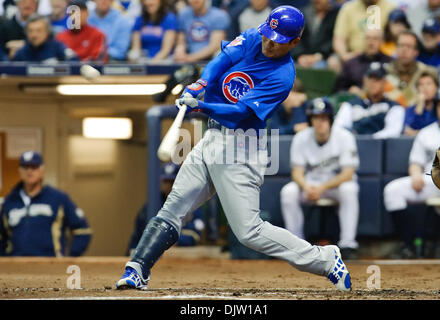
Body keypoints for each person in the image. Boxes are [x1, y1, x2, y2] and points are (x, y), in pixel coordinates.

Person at [115, 6, 352, 292]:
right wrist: (201, 83)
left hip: (242, 147)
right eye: (268, 34)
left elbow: (239, 112)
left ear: (294, 42)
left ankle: (326, 260)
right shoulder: (255, 36)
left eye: (277, 39)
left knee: (249, 231)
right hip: (213, 137)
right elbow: (222, 59)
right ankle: (137, 268)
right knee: (174, 206)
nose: (269, 42)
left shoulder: (283, 76)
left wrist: (200, 106)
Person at [280, 98, 360, 260]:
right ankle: (297, 245)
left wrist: (322, 188)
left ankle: (347, 244)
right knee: (288, 192)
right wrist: (306, 186)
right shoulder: (301, 137)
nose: (320, 122)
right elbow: (297, 172)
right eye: (316, 118)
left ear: (330, 119)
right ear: (311, 120)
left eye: (323, 118)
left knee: (349, 189)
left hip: (335, 184)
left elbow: (348, 173)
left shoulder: (344, 136)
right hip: (311, 183)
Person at [384, 87, 440, 259]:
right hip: (431, 181)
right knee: (392, 190)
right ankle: (408, 244)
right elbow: (415, 162)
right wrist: (415, 175)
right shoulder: (427, 132)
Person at [0, 151, 92, 257]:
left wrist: (69, 258)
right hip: (17, 264)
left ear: (42, 171)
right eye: (25, 167)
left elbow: (83, 231)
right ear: (20, 171)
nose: (29, 171)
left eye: (34, 167)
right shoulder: (9, 200)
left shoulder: (58, 198)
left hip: (50, 263)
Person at [127, 163, 205, 256]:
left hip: (183, 257)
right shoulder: (150, 207)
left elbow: (194, 236)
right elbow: (137, 238)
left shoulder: (192, 204)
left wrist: (166, 240)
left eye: (172, 181)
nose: (169, 185)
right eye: (166, 181)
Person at [334, 62, 405, 138]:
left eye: (377, 79)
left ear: (384, 83)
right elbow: (338, 128)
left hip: (380, 148)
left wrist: (368, 140)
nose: (372, 83)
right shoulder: (350, 105)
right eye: (370, 78)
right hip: (353, 147)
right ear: (364, 81)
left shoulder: (394, 107)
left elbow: (393, 131)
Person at [384, 30, 439, 106]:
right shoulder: (384, 71)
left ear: (416, 51)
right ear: (396, 48)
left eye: (409, 46)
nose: (404, 50)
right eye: (401, 45)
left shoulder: (426, 72)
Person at [332, 0, 396, 64]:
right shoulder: (348, 8)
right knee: (333, 62)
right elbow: (339, 39)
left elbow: (398, 36)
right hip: (354, 56)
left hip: (383, 56)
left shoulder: (390, 8)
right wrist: (344, 55)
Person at [334, 28, 393, 95]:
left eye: (375, 39)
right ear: (363, 41)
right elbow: (338, 90)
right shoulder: (351, 64)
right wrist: (349, 92)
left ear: (382, 41)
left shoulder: (391, 63)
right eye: (368, 38)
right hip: (357, 102)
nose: (371, 43)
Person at [291, 0, 340, 69]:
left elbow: (335, 39)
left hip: (325, 57)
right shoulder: (302, 13)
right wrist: (299, 55)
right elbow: (294, 36)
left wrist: (319, 56)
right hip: (301, 57)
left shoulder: (337, 15)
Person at [12, 14, 79, 62]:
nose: (34, 35)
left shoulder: (58, 47)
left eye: (39, 31)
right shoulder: (22, 52)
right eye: (30, 31)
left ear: (47, 32)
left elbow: (74, 63)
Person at [403, 71, 440, 136]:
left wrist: (418, 133)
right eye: (421, 84)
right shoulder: (410, 109)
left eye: (429, 84)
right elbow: (409, 131)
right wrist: (419, 107)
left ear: (436, 87)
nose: (425, 88)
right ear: (417, 88)